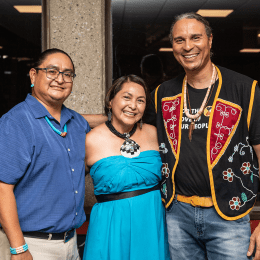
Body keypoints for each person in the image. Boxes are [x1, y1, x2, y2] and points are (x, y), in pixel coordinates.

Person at [144, 12, 260, 260]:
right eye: (179, 40)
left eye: (195, 37)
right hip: (177, 216)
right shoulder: (162, 94)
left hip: (229, 216)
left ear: (209, 40)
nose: (188, 46)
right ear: (172, 46)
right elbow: (132, 126)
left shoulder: (245, 89)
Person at [0, 48, 91, 260]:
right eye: (52, 71)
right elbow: (2, 189)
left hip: (71, 243)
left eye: (68, 74)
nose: (60, 79)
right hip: (31, 245)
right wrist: (18, 248)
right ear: (33, 75)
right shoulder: (16, 123)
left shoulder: (77, 123)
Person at [82, 75, 170, 260]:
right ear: (110, 100)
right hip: (110, 226)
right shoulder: (90, 140)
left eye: (140, 100)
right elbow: (67, 184)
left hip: (151, 223)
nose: (133, 105)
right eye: (127, 97)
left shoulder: (154, 133)